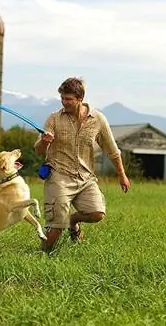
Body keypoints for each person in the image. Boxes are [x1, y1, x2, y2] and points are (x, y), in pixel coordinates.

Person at [34, 77, 130, 253]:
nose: (64, 102)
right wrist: (45, 142)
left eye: (69, 99)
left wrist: (121, 175)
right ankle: (41, 255)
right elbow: (38, 150)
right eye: (62, 98)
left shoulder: (98, 119)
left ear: (80, 98)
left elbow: (112, 150)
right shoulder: (54, 119)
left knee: (97, 214)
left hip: (86, 177)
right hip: (59, 176)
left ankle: (72, 221)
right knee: (56, 227)